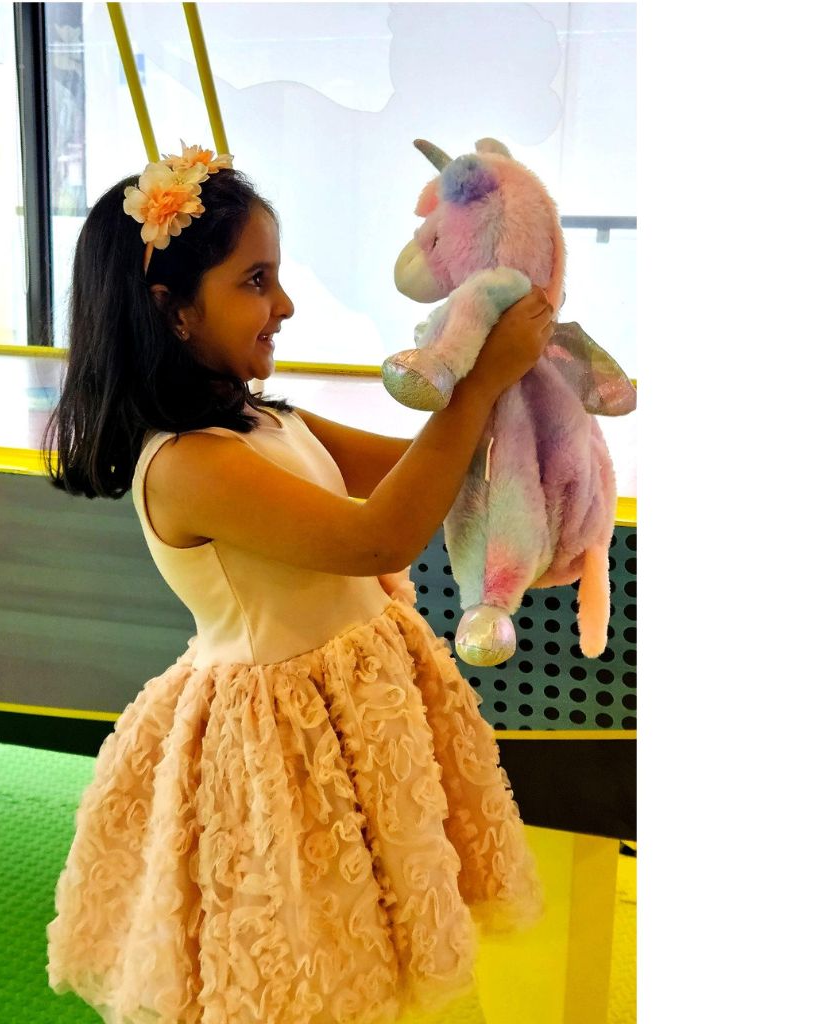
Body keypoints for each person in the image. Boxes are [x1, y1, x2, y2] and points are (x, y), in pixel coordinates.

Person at [42, 144, 553, 1024]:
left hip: (357, 713)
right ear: (171, 312)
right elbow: (378, 533)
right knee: (313, 953)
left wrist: (500, 378)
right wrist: (478, 392)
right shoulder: (187, 465)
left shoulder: (263, 415)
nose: (283, 305)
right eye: (254, 282)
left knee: (391, 921)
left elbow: (418, 471)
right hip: (281, 747)